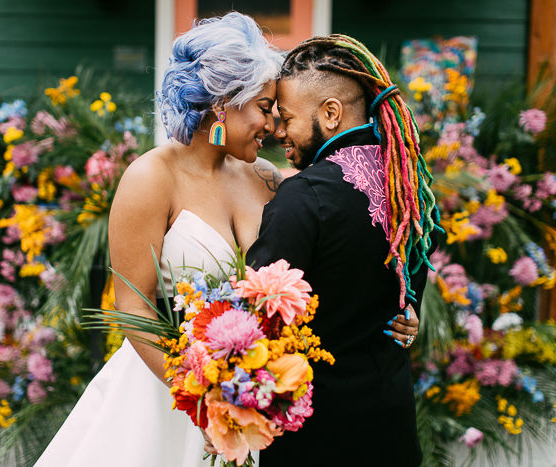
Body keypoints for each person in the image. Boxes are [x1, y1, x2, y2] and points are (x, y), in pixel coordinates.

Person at [36, 14, 417, 467]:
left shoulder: (268, 178)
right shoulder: (151, 178)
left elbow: (329, 272)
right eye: (263, 106)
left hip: (255, 404)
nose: (274, 126)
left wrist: (400, 308)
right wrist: (204, 400)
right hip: (172, 394)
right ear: (223, 103)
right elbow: (133, 307)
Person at [244, 35, 441, 466]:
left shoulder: (304, 197)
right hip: (391, 425)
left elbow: (255, 317)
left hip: (316, 434)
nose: (279, 131)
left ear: (330, 113)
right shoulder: (411, 192)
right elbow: (404, 299)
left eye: (288, 117)